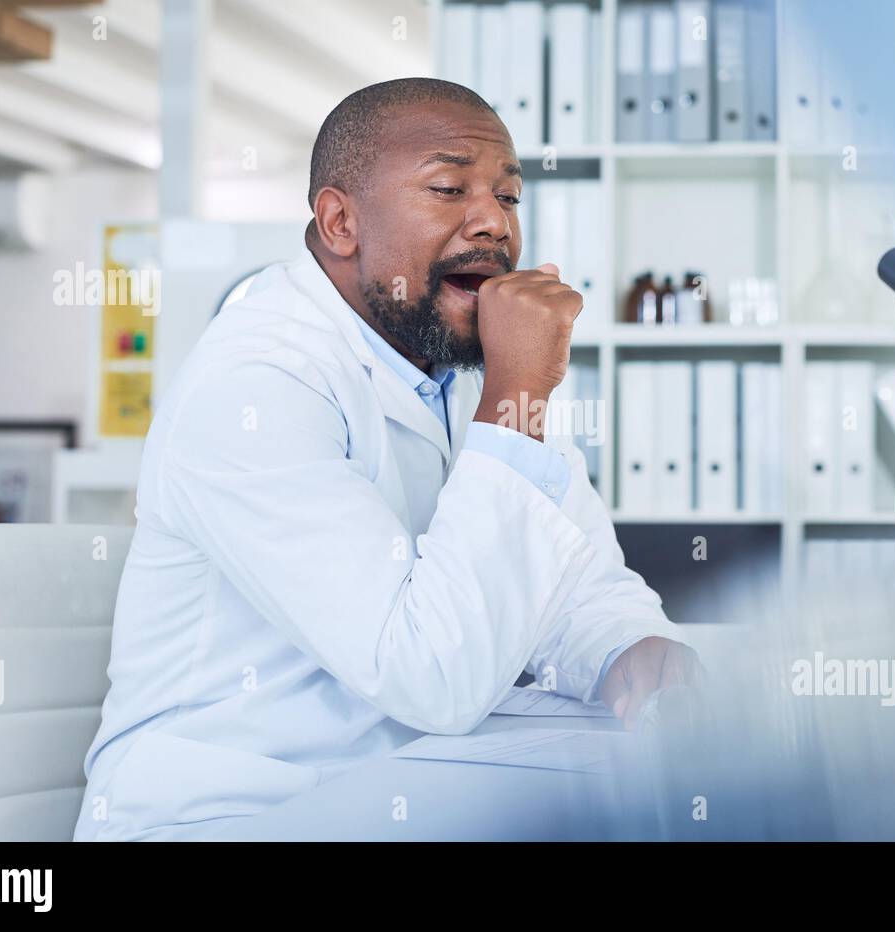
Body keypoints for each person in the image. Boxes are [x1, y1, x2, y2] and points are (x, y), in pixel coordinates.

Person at [75, 78, 699, 841]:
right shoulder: (256, 381)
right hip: (239, 814)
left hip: (407, 788)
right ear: (341, 222)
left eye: (509, 197)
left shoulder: (468, 367)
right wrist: (517, 392)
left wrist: (628, 650)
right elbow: (431, 676)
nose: (492, 225)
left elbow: (578, 588)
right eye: (448, 188)